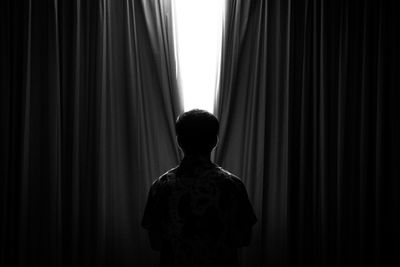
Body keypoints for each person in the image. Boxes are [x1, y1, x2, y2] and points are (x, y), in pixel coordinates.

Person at [141, 109, 257, 267]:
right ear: (215, 141)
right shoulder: (232, 185)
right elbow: (244, 238)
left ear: (179, 141)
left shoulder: (161, 186)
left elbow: (155, 243)